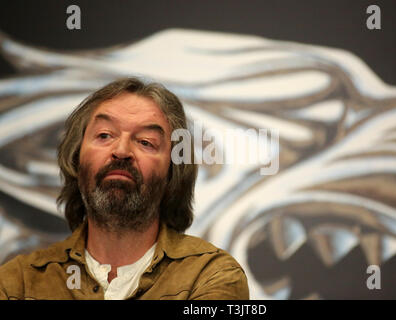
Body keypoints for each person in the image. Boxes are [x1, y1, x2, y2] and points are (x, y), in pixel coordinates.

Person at [0, 78, 249, 300]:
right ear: (77, 158)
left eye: (145, 142)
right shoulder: (18, 282)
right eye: (105, 135)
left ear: (172, 171)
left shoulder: (211, 275)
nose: (121, 151)